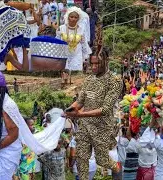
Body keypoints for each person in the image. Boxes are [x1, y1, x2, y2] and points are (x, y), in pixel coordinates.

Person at [64, 48, 123, 180]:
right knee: (81, 159)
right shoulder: (89, 79)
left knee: (102, 161)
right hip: (85, 126)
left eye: (98, 64)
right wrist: (69, 110)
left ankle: (118, 171)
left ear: (106, 61)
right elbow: (79, 102)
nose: (94, 67)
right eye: (92, 64)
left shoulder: (115, 81)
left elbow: (106, 109)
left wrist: (79, 115)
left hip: (102, 127)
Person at [58, 6, 91, 71]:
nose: (73, 19)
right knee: (65, 72)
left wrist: (85, 57)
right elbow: (57, 41)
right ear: (68, 17)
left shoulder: (81, 30)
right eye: (71, 17)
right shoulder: (61, 28)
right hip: (64, 54)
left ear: (79, 19)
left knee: (76, 73)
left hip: (77, 54)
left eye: (76, 17)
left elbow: (84, 43)